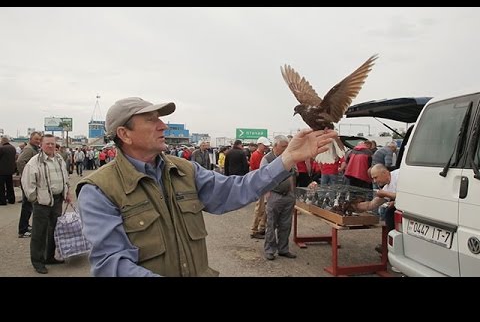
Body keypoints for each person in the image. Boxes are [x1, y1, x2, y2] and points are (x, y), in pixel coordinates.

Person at [76, 97, 337, 277]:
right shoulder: (99, 190)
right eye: (151, 119)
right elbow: (111, 263)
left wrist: (286, 159)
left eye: (161, 119)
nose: (163, 125)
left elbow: (237, 190)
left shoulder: (184, 170)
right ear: (124, 134)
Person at [21, 134, 72, 274]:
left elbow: (65, 177)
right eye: (47, 144)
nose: (50, 146)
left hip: (57, 200)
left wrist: (67, 192)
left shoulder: (59, 158)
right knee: (39, 233)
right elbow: (27, 184)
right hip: (42, 203)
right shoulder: (34, 162)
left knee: (54, 230)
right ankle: (37, 261)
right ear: (41, 146)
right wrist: (35, 199)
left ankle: (49, 257)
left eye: (52, 144)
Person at [261, 135, 297, 261]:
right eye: (283, 146)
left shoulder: (289, 158)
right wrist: (267, 195)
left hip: (288, 196)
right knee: (271, 224)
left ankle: (283, 249)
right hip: (274, 195)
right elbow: (263, 177)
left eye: (287, 146)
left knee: (286, 224)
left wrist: (292, 193)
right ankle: (270, 250)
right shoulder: (267, 159)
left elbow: (293, 175)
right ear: (275, 146)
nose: (286, 149)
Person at [16, 131, 42, 238]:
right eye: (36, 139)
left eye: (39, 139)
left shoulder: (34, 149)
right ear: (31, 139)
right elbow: (20, 161)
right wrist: (26, 175)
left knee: (29, 206)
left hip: (32, 181)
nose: (38, 141)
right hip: (28, 182)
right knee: (26, 206)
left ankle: (26, 225)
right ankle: (23, 229)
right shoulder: (29, 149)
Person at [0, 137, 17, 205]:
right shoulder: (13, 148)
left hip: (1, 171)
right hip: (10, 170)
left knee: (1, 187)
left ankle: (2, 201)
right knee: (10, 186)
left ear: (2, 142)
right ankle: (11, 199)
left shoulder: (2, 149)